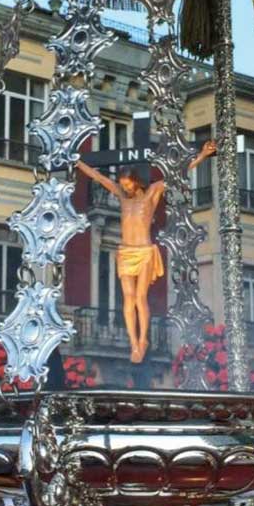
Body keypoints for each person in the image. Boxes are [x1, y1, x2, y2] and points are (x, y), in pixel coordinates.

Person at [76, 139, 216, 363]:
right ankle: (134, 344)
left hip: (143, 251)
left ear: (135, 181)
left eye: (128, 184)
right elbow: (99, 178)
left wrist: (202, 156)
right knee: (128, 299)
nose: (125, 188)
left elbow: (178, 174)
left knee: (140, 298)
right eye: (122, 185)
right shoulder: (122, 196)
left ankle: (143, 339)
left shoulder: (152, 192)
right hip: (125, 252)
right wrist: (79, 163)